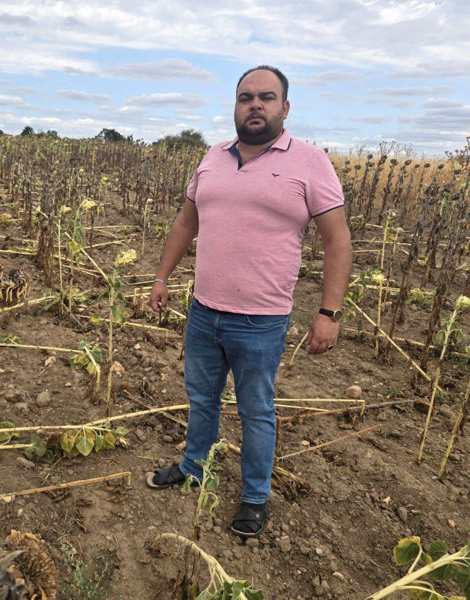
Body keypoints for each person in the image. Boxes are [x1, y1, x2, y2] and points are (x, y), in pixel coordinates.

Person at [145, 65, 352, 539]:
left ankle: (255, 497)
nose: (254, 105)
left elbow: (337, 239)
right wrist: (161, 277)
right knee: (201, 399)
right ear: (235, 106)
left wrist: (328, 313)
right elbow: (185, 224)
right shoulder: (213, 157)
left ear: (285, 107)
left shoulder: (310, 161)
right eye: (245, 97)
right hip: (203, 312)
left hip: (261, 321)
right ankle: (194, 466)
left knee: (256, 411)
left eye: (266, 97)